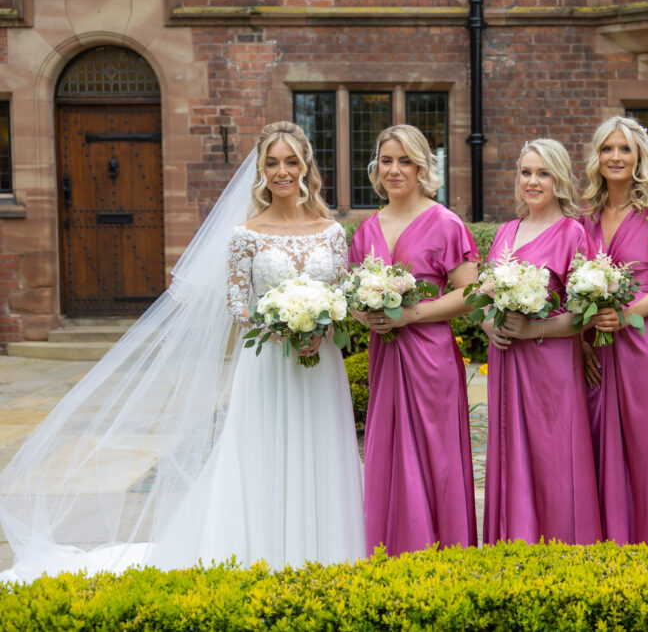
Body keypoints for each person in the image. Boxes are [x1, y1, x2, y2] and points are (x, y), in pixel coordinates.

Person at [0, 121, 366, 581]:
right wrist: (280, 330)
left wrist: (323, 324)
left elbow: (341, 294)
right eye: (271, 162)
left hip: (319, 364)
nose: (282, 171)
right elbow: (237, 305)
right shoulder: (245, 234)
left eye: (291, 161)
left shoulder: (331, 232)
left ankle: (324, 552)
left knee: (321, 452)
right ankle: (264, 555)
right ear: (260, 169)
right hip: (269, 363)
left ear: (306, 165)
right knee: (261, 455)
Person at [349, 125, 478, 556]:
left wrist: (412, 314)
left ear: (422, 166)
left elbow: (471, 293)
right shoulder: (366, 230)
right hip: (385, 356)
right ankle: (391, 553)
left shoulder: (445, 223)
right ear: (376, 167)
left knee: (435, 454)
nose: (395, 169)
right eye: (387, 160)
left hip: (431, 358)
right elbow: (350, 296)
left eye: (405, 160)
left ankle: (444, 553)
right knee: (388, 452)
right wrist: (364, 312)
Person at [578, 116, 648, 548]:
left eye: (625, 149)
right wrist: (581, 340)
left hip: (642, 340)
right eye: (608, 148)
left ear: (640, 155)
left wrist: (625, 316)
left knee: (647, 444)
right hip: (595, 343)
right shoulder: (585, 213)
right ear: (597, 156)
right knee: (596, 439)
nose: (616, 157)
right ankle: (607, 539)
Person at [481, 139, 602, 545]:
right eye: (526, 172)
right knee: (509, 451)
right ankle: (513, 541)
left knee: (553, 455)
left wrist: (534, 330)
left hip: (550, 364)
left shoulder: (574, 234)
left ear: (559, 179)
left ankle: (560, 543)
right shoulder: (504, 232)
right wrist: (489, 326)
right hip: (505, 360)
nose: (532, 181)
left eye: (543, 173)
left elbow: (584, 314)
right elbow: (484, 299)